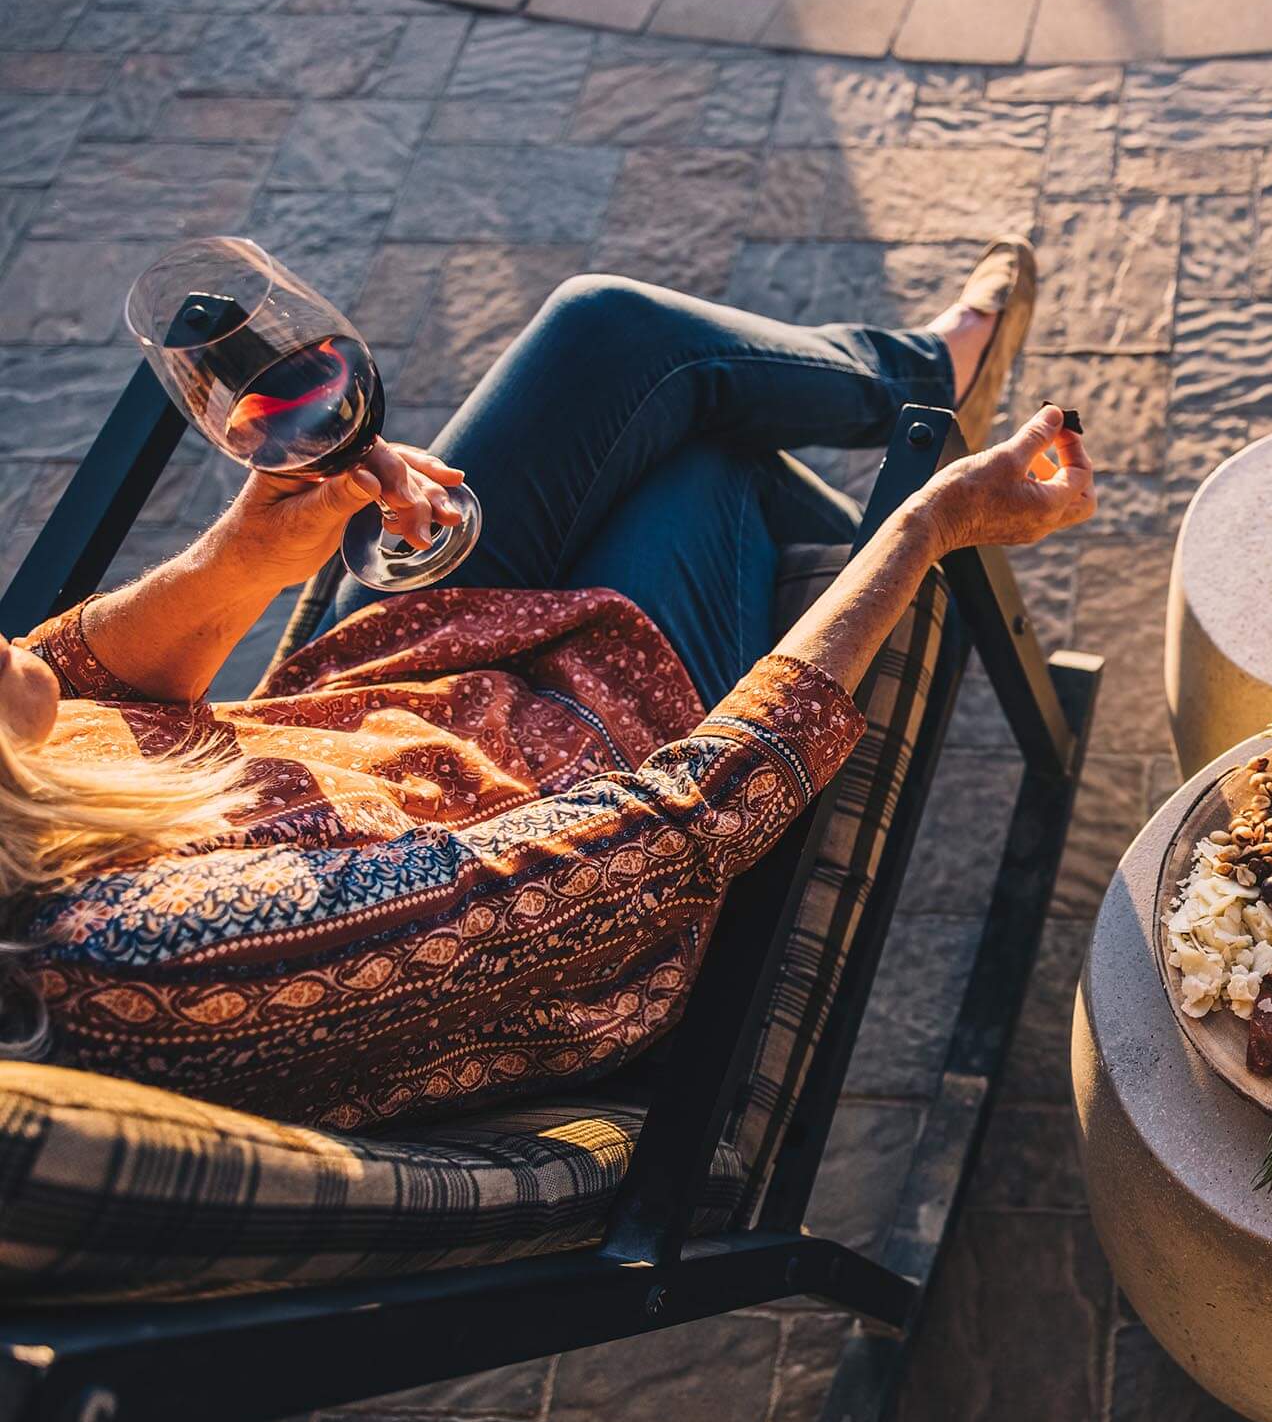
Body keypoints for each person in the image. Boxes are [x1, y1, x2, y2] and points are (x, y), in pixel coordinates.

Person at [0, 241, 1096, 1130]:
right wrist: (922, 529)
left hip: (396, 681)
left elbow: (80, 679)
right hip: (600, 770)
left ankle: (920, 388)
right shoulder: (147, 954)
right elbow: (668, 831)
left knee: (606, 332)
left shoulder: (19, 779)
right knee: (711, 458)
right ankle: (939, 547)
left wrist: (251, 554)